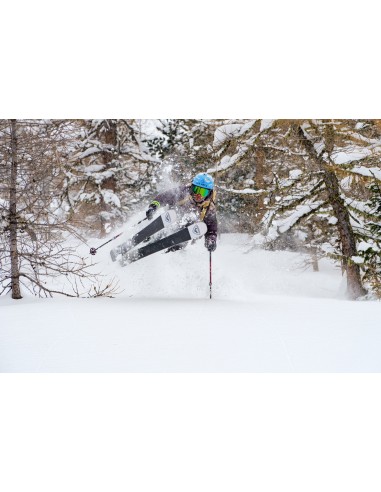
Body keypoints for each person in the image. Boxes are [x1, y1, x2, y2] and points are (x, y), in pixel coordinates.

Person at [146, 172, 217, 252]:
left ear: (209, 193)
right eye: (196, 190)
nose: (198, 195)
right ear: (192, 187)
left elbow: (211, 228)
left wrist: (211, 240)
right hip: (171, 220)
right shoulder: (183, 191)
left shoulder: (209, 207)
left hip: (186, 232)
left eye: (203, 192)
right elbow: (164, 197)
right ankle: (151, 236)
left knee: (192, 220)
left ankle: (175, 245)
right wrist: (153, 207)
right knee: (176, 220)